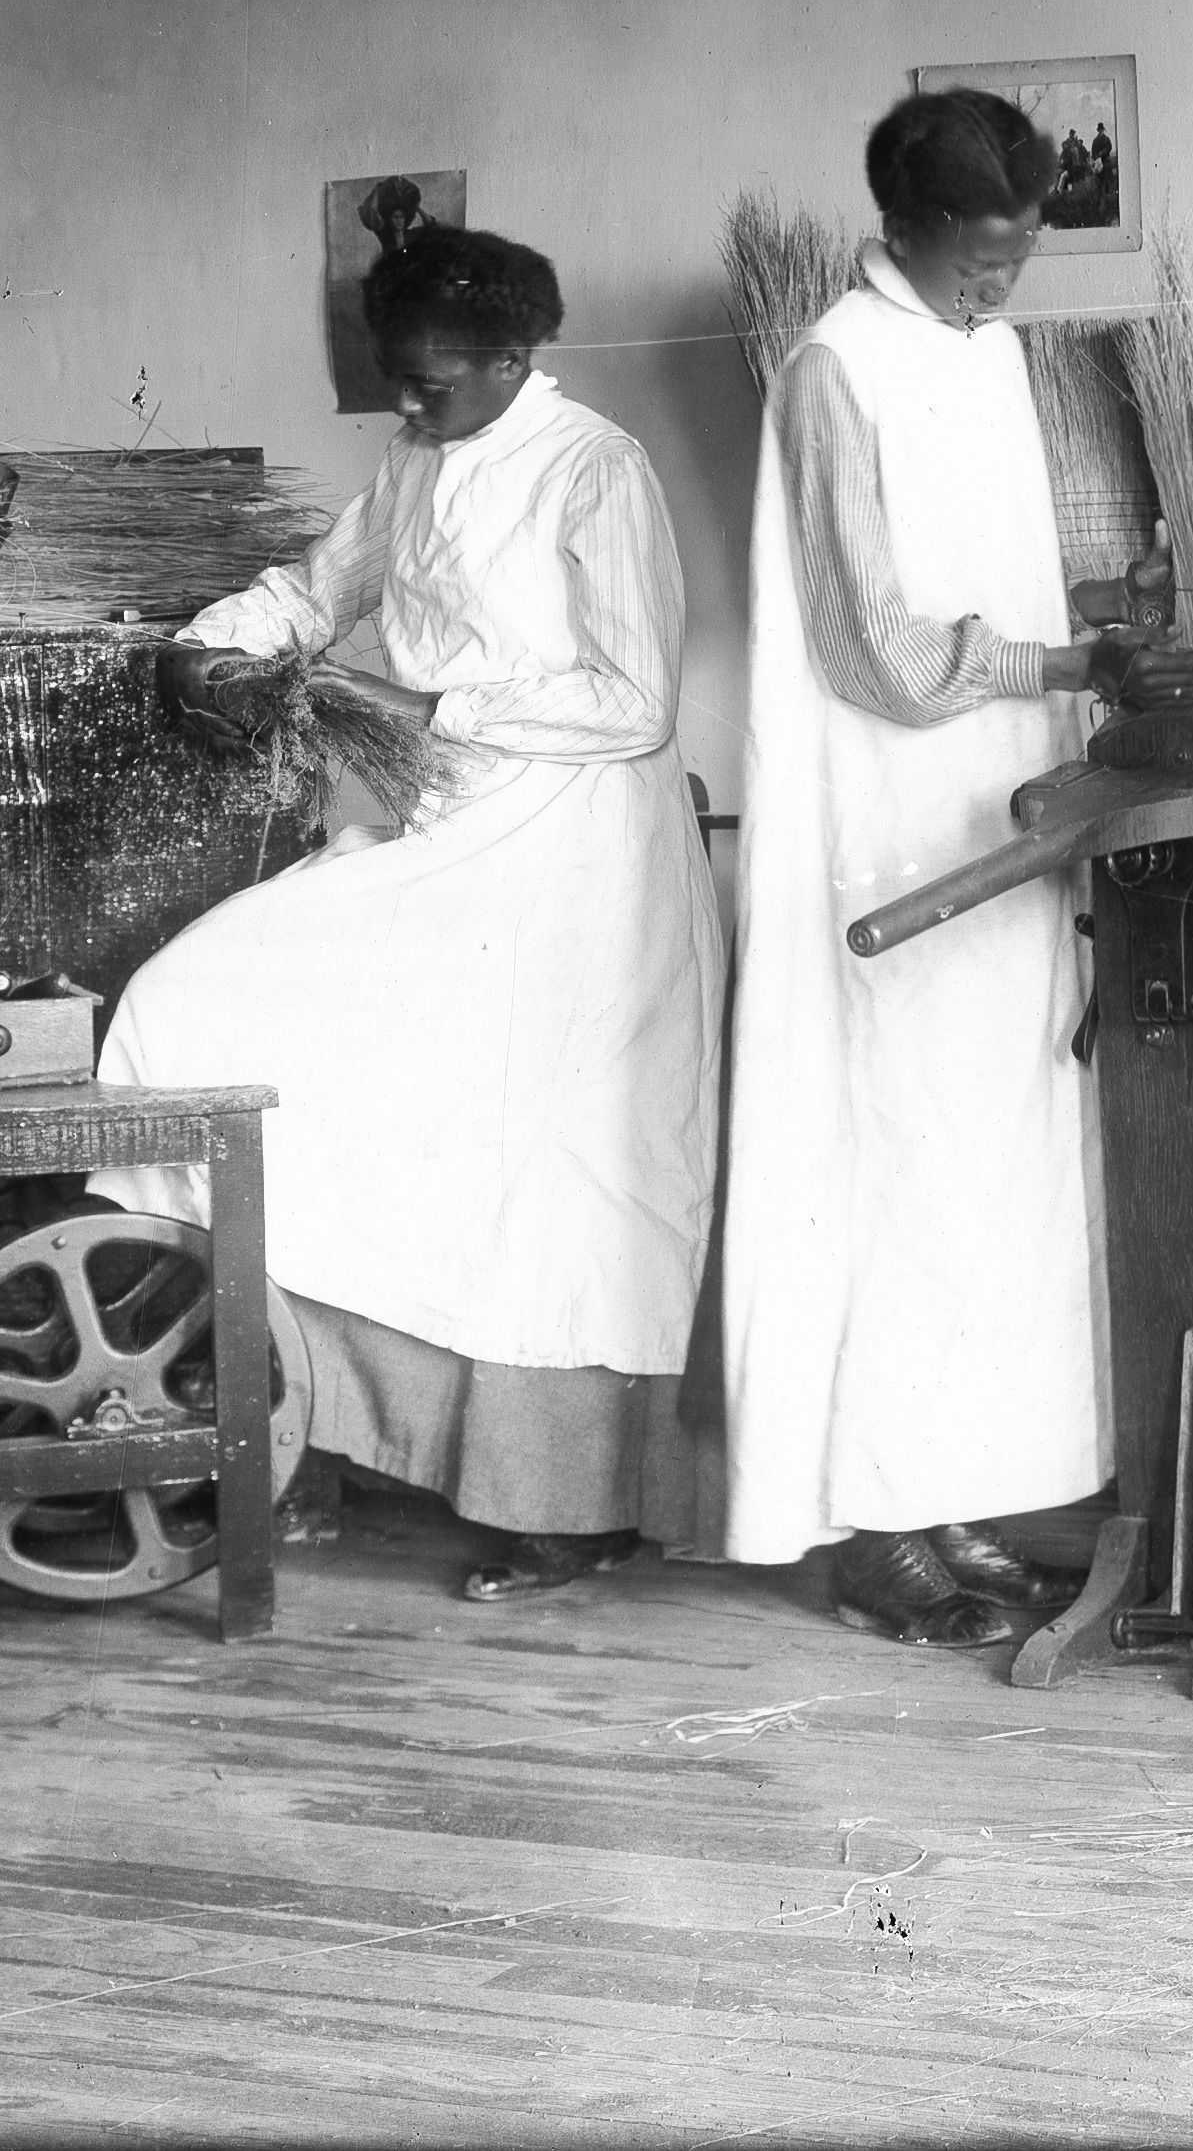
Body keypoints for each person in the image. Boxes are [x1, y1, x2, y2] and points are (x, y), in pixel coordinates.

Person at [95, 222, 725, 1602]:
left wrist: (431, 705)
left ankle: (572, 1503)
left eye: (434, 380)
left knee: (549, 1172)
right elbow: (324, 591)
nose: (409, 402)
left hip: (573, 854)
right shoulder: (418, 461)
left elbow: (635, 704)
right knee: (194, 1009)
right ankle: (287, 1424)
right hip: (441, 829)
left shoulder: (591, 471)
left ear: (516, 358)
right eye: (398, 378)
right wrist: (216, 646)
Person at [717, 89, 1193, 1643]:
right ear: (902, 227)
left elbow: (987, 581)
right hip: (885, 815)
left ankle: (953, 1489)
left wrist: (1102, 640)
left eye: (1017, 256)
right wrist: (1058, 657)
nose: (998, 285)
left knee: (982, 1166)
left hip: (1008, 807)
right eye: (975, 257)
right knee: (884, 1158)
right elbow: (874, 651)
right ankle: (871, 1518)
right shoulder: (832, 371)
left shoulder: (991, 356)